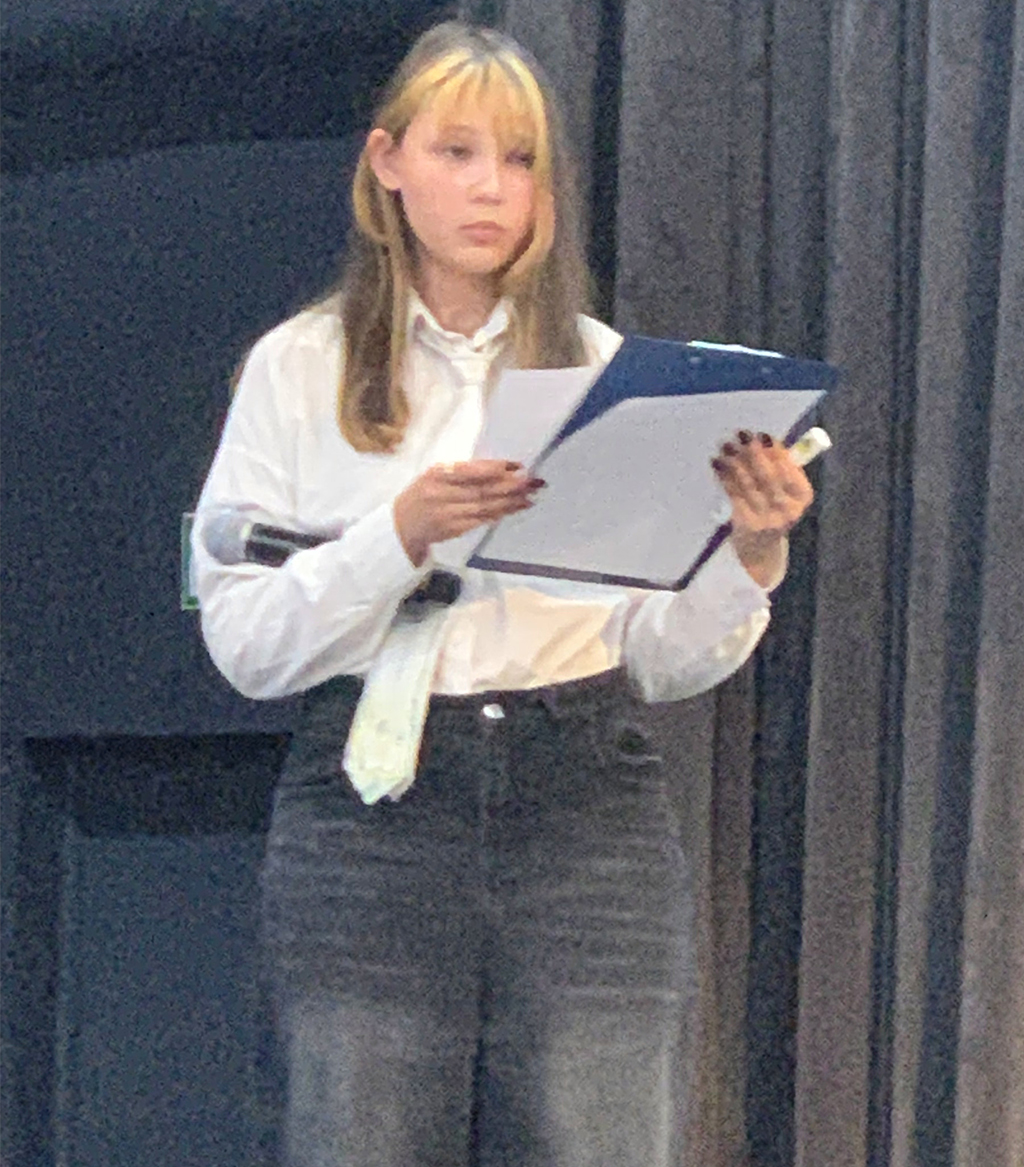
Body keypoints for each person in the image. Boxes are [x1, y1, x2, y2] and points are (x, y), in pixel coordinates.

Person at [191, 20, 814, 1167]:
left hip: (583, 802)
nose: (491, 188)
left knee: (602, 1141)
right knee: (358, 1141)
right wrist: (399, 535)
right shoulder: (301, 366)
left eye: (520, 161)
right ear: (387, 161)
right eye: (458, 152)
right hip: (372, 801)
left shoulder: (601, 371)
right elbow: (245, 646)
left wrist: (748, 551)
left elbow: (659, 658)